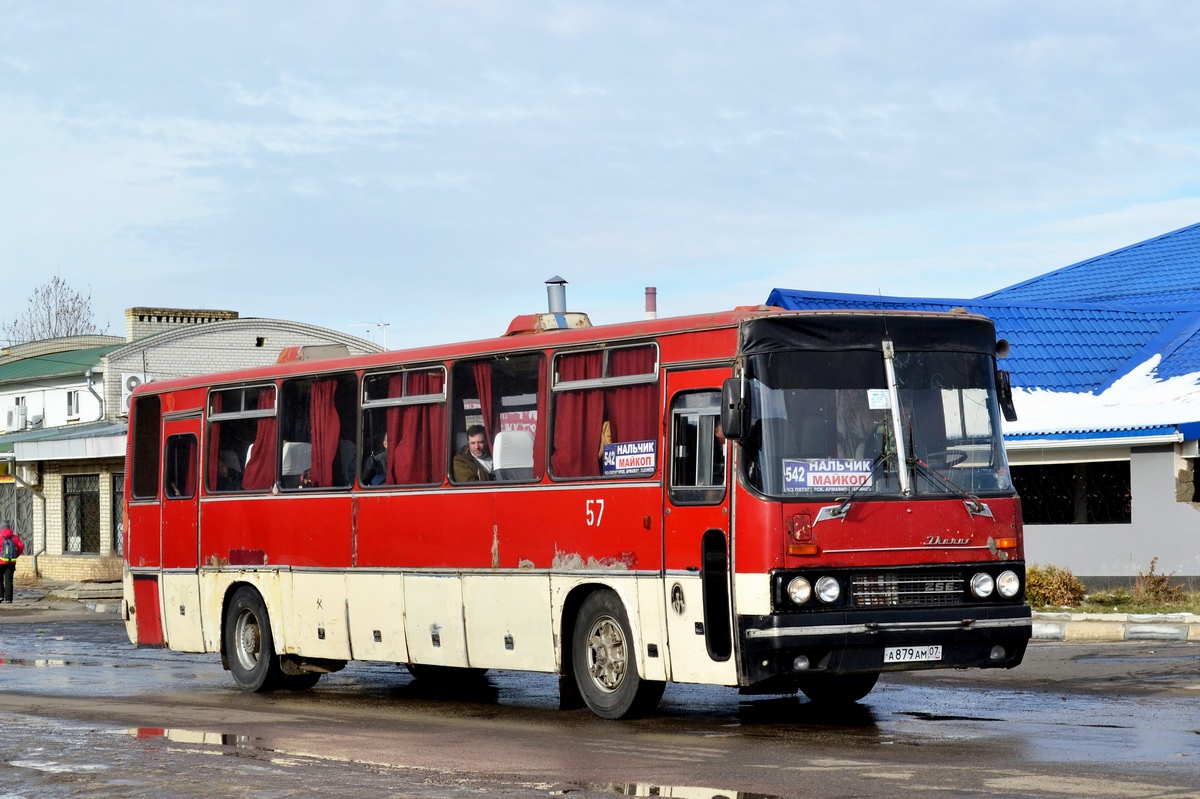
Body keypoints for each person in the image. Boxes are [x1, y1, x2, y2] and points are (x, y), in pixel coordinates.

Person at [0, 527, 24, 603]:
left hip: (0, 562)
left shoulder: (0, 537)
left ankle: (0, 596)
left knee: (0, 579)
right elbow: (21, 547)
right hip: (11, 562)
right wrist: (15, 555)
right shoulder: (15, 537)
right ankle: (8, 599)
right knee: (9, 580)